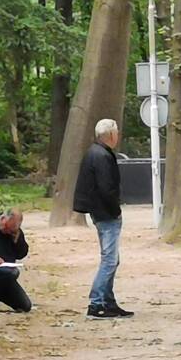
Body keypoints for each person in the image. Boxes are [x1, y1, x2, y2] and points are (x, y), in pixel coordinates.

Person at [73, 118, 133, 319]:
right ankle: (96, 302)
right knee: (109, 260)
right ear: (111, 135)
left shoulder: (94, 153)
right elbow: (106, 187)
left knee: (112, 259)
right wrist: (115, 210)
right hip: (106, 213)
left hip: (99, 212)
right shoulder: (102, 156)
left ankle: (108, 301)